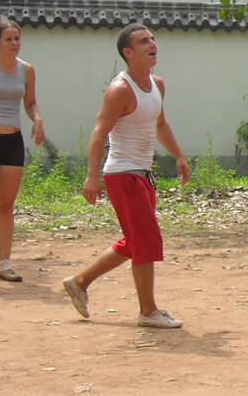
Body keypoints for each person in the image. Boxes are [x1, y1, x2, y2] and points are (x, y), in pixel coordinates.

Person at [62, 23, 190, 328]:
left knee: (134, 241)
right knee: (145, 239)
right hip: (122, 174)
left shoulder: (157, 85)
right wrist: (91, 176)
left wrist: (179, 155)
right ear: (128, 53)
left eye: (152, 39)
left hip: (143, 174)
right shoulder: (120, 89)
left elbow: (160, 125)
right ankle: (148, 311)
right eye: (143, 41)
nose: (152, 44)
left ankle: (80, 281)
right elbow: (98, 133)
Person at [0, 19, 46, 282]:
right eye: (9, 39)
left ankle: (4, 263)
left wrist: (37, 119)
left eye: (17, 39)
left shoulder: (27, 70)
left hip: (12, 140)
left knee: (5, 204)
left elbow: (30, 101)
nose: (14, 44)